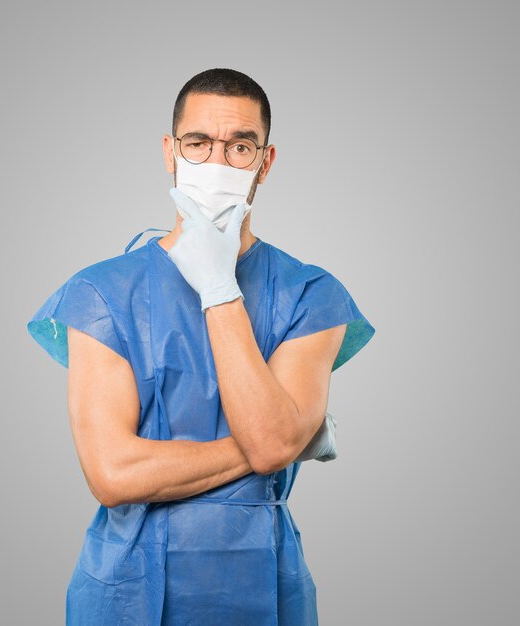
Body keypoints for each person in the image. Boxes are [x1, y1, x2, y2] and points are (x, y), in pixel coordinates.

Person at [27, 68, 375, 626]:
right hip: (127, 590)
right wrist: (285, 439)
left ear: (266, 160)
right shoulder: (102, 292)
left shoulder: (311, 293)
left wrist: (218, 288)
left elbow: (265, 445)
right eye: (198, 143)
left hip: (266, 584)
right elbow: (114, 474)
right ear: (170, 151)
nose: (217, 162)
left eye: (241, 146)